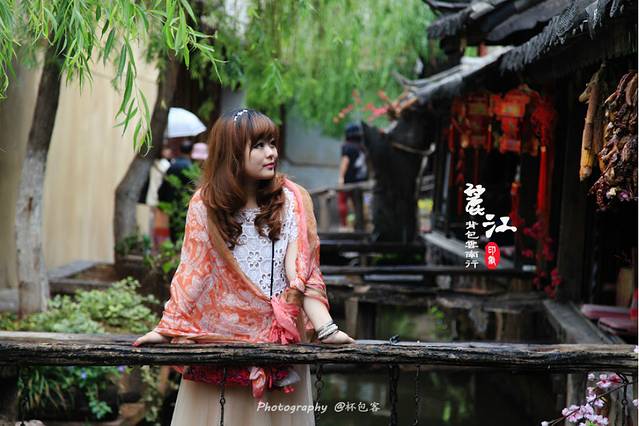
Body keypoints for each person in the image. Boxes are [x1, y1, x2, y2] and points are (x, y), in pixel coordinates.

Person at [134, 109, 354, 426]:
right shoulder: (205, 204)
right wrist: (165, 330)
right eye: (259, 145)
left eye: (272, 143)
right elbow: (193, 272)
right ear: (233, 152)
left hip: (279, 345)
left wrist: (326, 329)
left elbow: (303, 274)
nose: (271, 153)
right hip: (221, 343)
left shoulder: (290, 200)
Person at [337, 122, 368, 227]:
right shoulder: (363, 148)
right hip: (362, 181)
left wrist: (341, 177)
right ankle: (361, 226)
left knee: (343, 202)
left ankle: (344, 226)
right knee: (360, 204)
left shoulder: (347, 147)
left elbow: (345, 161)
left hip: (349, 182)